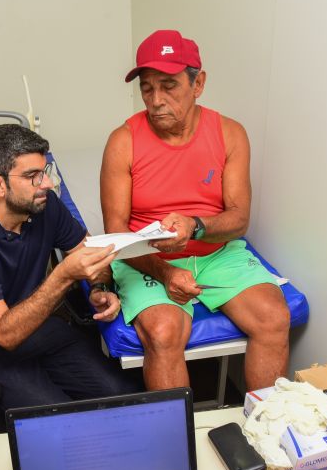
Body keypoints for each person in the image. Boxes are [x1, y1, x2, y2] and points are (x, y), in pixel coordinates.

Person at [100, 29, 290, 392]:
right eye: (146, 87)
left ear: (198, 83)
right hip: (145, 255)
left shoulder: (230, 134)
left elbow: (238, 219)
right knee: (163, 331)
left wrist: (196, 226)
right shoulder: (123, 141)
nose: (155, 100)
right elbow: (116, 232)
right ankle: (176, 446)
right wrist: (166, 271)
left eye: (168, 86)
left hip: (216, 251)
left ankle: (265, 434)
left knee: (273, 316)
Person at [0, 124, 139, 410]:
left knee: (121, 395)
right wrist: (65, 274)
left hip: (34, 329)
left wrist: (99, 287)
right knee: (56, 418)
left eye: (44, 172)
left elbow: (92, 255)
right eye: (32, 176)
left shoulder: (44, 206)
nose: (45, 183)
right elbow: (5, 334)